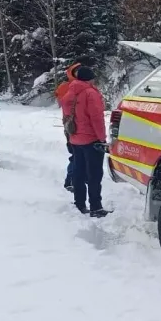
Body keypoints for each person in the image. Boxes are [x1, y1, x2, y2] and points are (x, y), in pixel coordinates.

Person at [61, 66, 110, 217]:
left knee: (78, 172)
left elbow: (66, 116)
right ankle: (96, 207)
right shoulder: (90, 93)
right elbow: (97, 118)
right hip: (91, 139)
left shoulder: (70, 92)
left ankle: (79, 203)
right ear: (89, 78)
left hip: (75, 138)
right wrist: (102, 138)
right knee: (94, 174)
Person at [56, 60, 84, 192]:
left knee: (77, 154)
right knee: (76, 154)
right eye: (78, 71)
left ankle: (74, 178)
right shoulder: (68, 87)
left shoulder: (70, 87)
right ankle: (71, 180)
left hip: (76, 126)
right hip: (72, 127)